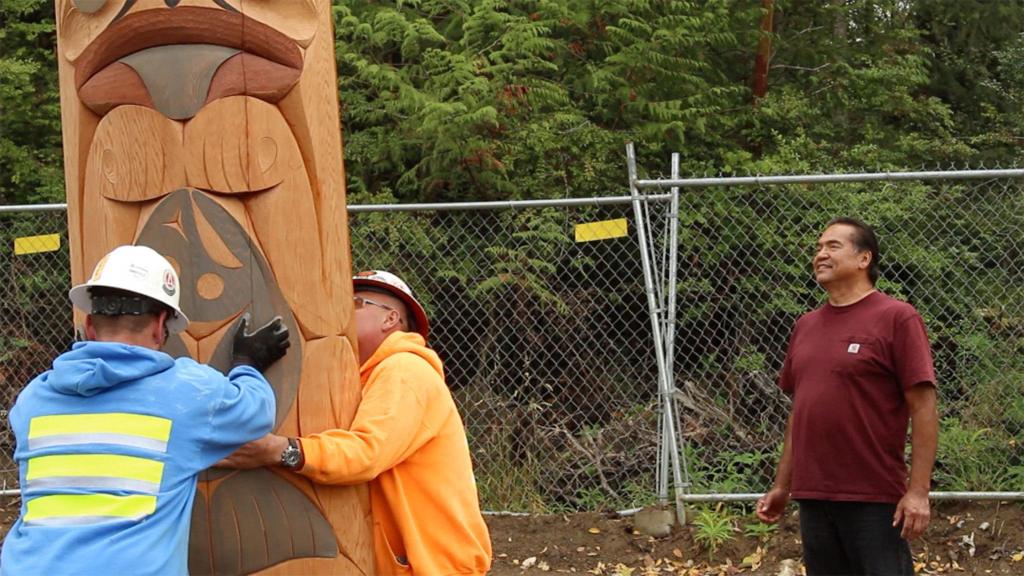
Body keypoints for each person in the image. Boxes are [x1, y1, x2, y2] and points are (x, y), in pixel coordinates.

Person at [1, 244, 290, 576]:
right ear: (159, 326)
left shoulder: (33, 400)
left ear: (90, 326)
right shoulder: (188, 392)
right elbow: (256, 413)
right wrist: (247, 364)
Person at [219, 270, 492, 575]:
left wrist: (281, 450)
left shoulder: (404, 370)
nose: (344, 311)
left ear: (390, 320)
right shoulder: (368, 378)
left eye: (356, 303)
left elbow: (366, 452)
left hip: (433, 566)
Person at [756, 218, 939, 576]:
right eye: (818, 247)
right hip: (813, 496)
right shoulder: (805, 325)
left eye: (833, 246)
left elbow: (924, 406)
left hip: (873, 497)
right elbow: (801, 411)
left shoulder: (897, 318)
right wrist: (782, 486)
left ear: (864, 258)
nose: (820, 254)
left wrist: (918, 492)